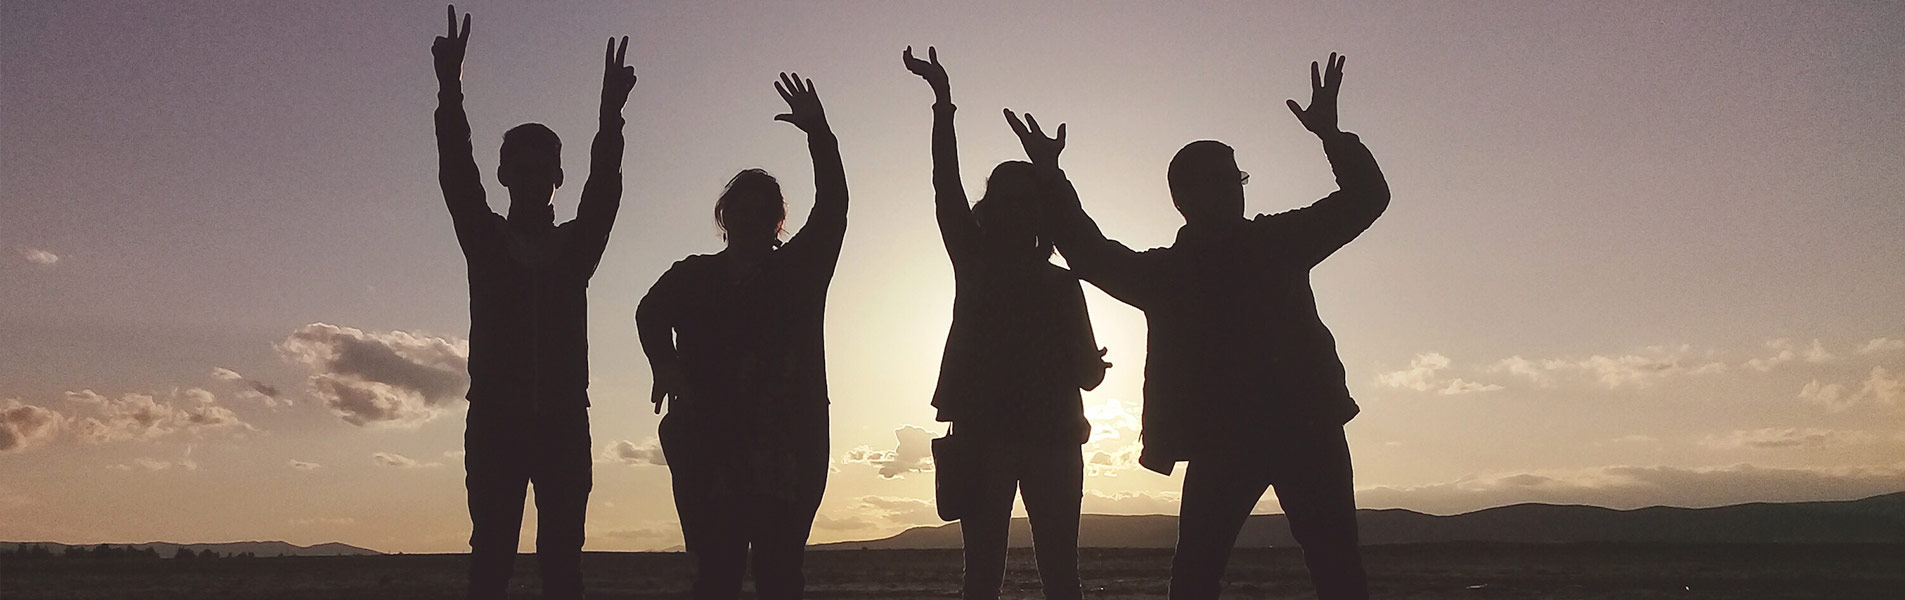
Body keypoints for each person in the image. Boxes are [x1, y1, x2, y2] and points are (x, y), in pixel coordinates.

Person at [1023, 53, 1388, 600]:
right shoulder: (1226, 258)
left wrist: (1333, 135)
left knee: (1321, 571)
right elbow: (1091, 255)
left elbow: (1367, 200)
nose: (1235, 189)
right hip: (1253, 435)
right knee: (1207, 575)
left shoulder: (1261, 247)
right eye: (1221, 181)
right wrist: (1051, 180)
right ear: (1183, 198)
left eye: (1236, 178)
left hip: (1290, 429)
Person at [432, 6, 634, 599]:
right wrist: (450, 90)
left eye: (543, 165)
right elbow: (455, 174)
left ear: (557, 177)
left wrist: (611, 119)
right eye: (520, 164)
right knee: (490, 558)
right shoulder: (487, 242)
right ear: (503, 173)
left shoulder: (575, 250)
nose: (531, 174)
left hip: (565, 424)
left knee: (562, 563)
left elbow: (605, 192)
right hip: (495, 421)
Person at [901, 46, 1108, 600]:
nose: (1018, 211)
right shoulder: (1032, 276)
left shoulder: (1003, 270)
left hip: (1025, 437)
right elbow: (946, 186)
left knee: (1013, 575)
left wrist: (945, 105)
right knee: (1029, 575)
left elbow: (1087, 374)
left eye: (1025, 201)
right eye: (1011, 201)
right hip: (1017, 437)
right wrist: (942, 106)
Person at [634, 72, 845, 600]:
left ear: (778, 220)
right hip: (710, 449)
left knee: (780, 578)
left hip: (786, 451)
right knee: (716, 577)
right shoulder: (693, 275)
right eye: (740, 209)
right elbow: (648, 313)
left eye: (763, 210)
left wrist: (819, 133)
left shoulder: (799, 270)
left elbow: (834, 205)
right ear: (724, 217)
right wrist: (666, 364)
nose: (750, 218)